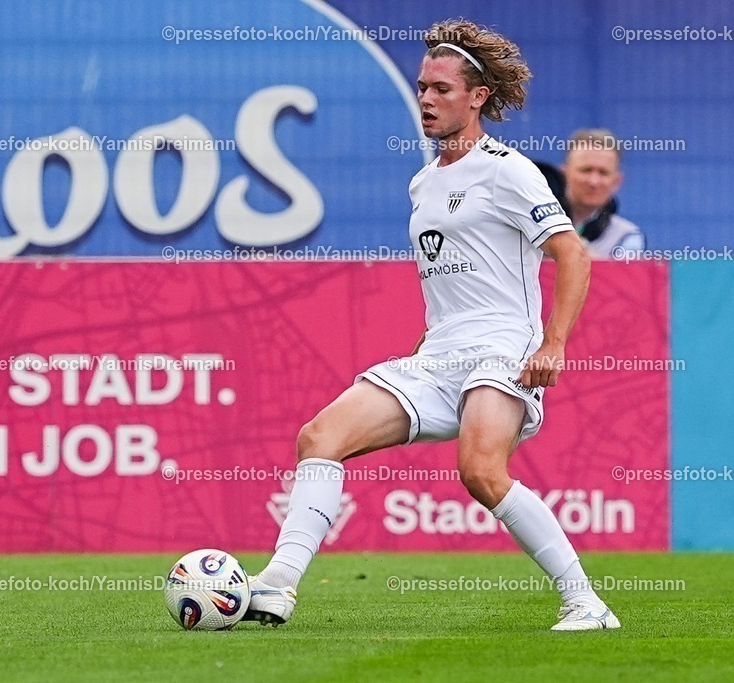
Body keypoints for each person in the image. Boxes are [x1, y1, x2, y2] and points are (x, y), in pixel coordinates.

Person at [244, 19, 620, 632]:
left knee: (480, 470)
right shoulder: (422, 182)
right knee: (319, 438)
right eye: (422, 88)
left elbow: (572, 253)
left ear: (477, 98)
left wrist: (553, 343)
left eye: (441, 89)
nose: (426, 99)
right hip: (440, 355)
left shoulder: (508, 170)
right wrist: (428, 341)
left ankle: (586, 602)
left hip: (503, 348)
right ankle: (279, 585)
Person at [562, 129, 644, 259]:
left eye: (603, 173)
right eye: (586, 170)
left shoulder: (628, 236)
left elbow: (622, 279)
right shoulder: (534, 224)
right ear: (564, 173)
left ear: (617, 181)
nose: (593, 182)